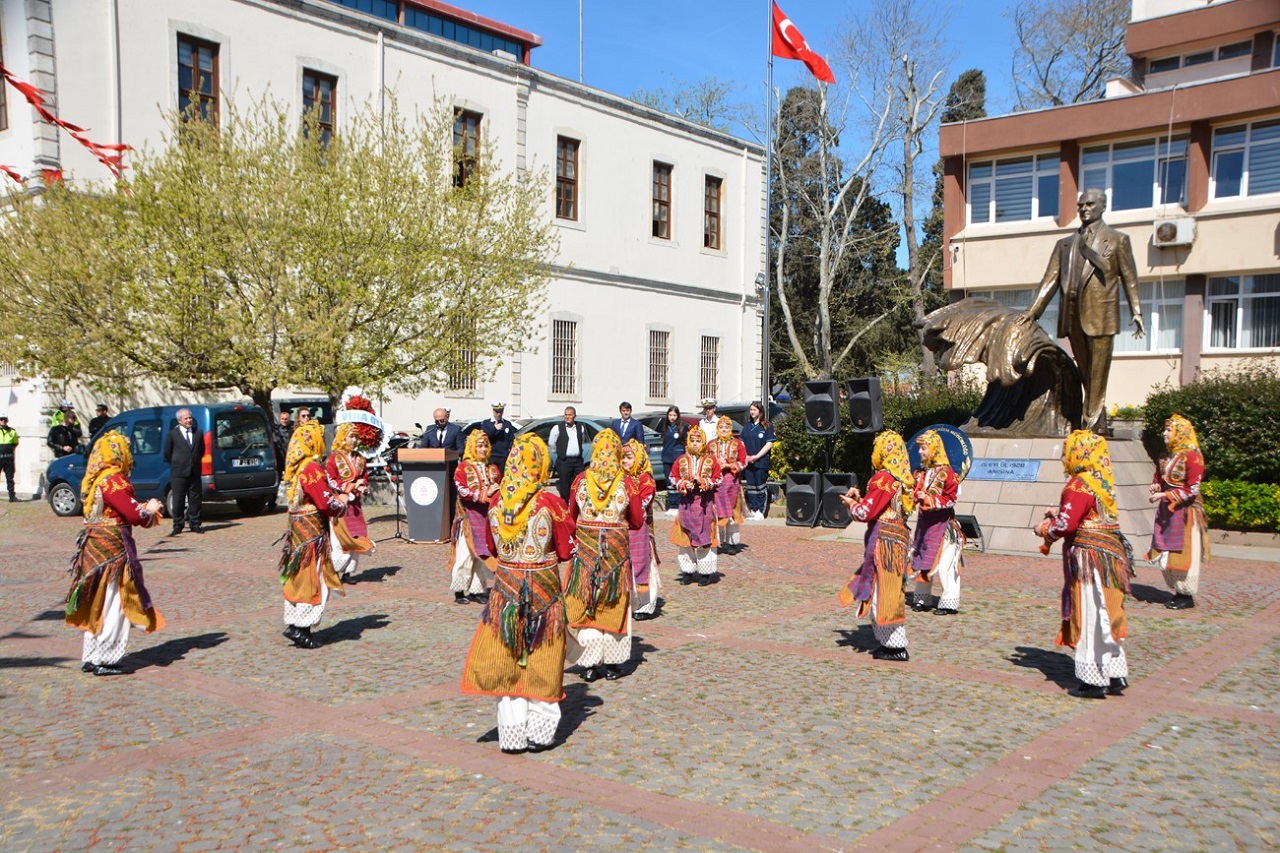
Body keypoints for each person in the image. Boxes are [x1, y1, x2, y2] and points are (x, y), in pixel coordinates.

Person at [461, 434, 576, 754]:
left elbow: (492, 545)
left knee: (509, 659)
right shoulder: (552, 504)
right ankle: (540, 732)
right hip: (544, 592)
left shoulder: (497, 502)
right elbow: (566, 550)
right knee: (544, 658)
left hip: (506, 592)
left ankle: (511, 733)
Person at [1024, 188, 1145, 432]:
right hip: (1073, 317)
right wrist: (1032, 313)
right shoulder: (1066, 244)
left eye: (1089, 204)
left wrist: (1137, 311)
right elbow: (1049, 281)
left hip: (1101, 316)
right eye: (1080, 205)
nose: (1084, 209)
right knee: (1087, 373)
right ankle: (1096, 422)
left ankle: (1089, 426)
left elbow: (1129, 277)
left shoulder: (1117, 240)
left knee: (1097, 374)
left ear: (1103, 206)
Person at [1034, 429, 1132, 699]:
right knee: (1107, 611)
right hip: (1109, 556)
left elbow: (1066, 525)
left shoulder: (1077, 484)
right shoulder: (1100, 481)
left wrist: (1043, 529)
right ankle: (1115, 673)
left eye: (1068, 449)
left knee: (1090, 613)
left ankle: (1093, 679)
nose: (1064, 455)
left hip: (1089, 559)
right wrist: (1059, 511)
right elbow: (1085, 512)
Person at [64, 430, 165, 676]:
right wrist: (149, 509)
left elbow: (117, 509)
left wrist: (139, 508)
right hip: (112, 549)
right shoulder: (114, 480)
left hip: (94, 547)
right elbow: (133, 515)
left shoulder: (95, 479)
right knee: (115, 602)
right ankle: (106, 659)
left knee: (97, 601)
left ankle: (91, 655)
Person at [565, 429, 644, 682]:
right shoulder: (628, 483)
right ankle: (611, 664)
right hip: (616, 555)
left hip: (586, 555)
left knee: (587, 603)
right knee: (613, 604)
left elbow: (570, 515)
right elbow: (637, 519)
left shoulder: (579, 481)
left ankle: (588, 663)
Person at [838, 431, 915, 662]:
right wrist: (861, 499)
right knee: (887, 591)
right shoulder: (899, 478)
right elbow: (878, 508)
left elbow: (865, 513)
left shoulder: (884, 479)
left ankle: (895, 647)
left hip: (886, 544)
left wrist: (852, 504)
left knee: (884, 593)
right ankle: (891, 644)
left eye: (877, 447)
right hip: (895, 539)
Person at [278, 420, 352, 649]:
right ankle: (300, 628)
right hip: (311, 535)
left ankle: (298, 625)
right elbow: (324, 502)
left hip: (299, 531)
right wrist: (342, 503)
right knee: (315, 579)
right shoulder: (311, 468)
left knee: (300, 577)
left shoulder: (298, 468)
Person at [1148, 414, 1208, 610]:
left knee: (1183, 551)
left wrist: (1165, 495)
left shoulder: (1193, 456)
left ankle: (1186, 595)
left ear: (1180, 433)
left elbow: (1192, 489)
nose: (1164, 433)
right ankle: (1178, 592)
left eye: (1169, 430)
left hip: (1185, 513)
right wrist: (1156, 486)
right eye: (1165, 430)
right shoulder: (1166, 455)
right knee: (1168, 550)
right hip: (1168, 511)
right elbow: (1159, 477)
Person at [910, 430, 964, 615]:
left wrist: (930, 500)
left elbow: (952, 498)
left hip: (944, 526)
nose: (920, 452)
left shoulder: (948, 474)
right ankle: (922, 598)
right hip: (925, 525)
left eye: (923, 448)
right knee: (923, 560)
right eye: (919, 449)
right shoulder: (922, 473)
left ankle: (949, 601)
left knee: (946, 564)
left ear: (934, 449)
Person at [450, 430, 499, 604]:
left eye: (486, 445)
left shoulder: (491, 468)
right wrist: (484, 494)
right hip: (468, 517)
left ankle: (476, 589)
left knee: (481, 556)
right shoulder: (463, 467)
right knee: (465, 555)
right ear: (472, 447)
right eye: (479, 445)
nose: (483, 449)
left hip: (484, 517)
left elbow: (498, 487)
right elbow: (462, 490)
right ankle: (459, 591)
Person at [670, 427, 721, 585]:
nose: (695, 444)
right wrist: (682, 483)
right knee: (685, 536)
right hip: (686, 503)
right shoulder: (681, 460)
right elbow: (673, 476)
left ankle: (705, 573)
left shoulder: (711, 460)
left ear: (703, 442)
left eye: (698, 441)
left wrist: (704, 482)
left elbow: (718, 478)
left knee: (704, 536)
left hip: (704, 503)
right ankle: (688, 571)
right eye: (692, 441)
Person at [326, 423, 375, 584]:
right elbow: (331, 480)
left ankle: (348, 571)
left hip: (355, 505)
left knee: (356, 535)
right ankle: (334, 570)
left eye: (356, 437)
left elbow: (364, 476)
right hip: (341, 503)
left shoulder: (360, 458)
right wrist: (352, 486)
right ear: (343, 437)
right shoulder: (334, 458)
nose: (354, 440)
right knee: (340, 538)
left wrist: (364, 486)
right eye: (350, 437)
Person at [622, 438, 661, 621]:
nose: (625, 461)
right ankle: (630, 602)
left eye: (629, 457)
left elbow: (643, 503)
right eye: (622, 458)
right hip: (625, 529)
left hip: (641, 529)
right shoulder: (620, 478)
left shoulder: (646, 479)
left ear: (638, 457)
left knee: (644, 564)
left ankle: (646, 603)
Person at [710, 415, 747, 556]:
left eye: (726, 427)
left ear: (730, 428)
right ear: (717, 428)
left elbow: (743, 461)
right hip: (717, 484)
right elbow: (706, 461)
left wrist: (730, 465)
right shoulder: (711, 444)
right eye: (721, 427)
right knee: (717, 512)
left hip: (731, 483)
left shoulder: (737, 443)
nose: (724, 429)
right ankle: (720, 541)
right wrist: (715, 464)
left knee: (732, 512)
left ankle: (732, 543)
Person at [163, 408, 204, 535]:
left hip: (194, 471)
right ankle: (178, 524)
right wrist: (177, 462)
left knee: (195, 498)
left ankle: (195, 523)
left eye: (190, 418)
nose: (189, 421)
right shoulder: (172, 434)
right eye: (186, 418)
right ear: (179, 420)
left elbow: (201, 450)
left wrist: (194, 462)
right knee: (178, 499)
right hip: (179, 472)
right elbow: (168, 452)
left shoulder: (198, 432)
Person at [741, 401, 775, 520]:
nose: (752, 412)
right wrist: (746, 456)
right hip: (749, 461)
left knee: (760, 487)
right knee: (751, 487)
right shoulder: (747, 427)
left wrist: (757, 456)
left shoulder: (766, 426)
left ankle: (761, 511)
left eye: (754, 410)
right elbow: (742, 442)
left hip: (761, 462)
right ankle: (753, 509)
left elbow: (769, 444)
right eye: (751, 410)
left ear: (760, 411)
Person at [547, 406, 589, 504]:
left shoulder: (580, 427)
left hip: (577, 461)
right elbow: (551, 443)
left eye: (570, 415)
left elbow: (581, 440)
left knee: (580, 483)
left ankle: (577, 504)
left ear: (574, 416)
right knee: (565, 486)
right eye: (566, 415)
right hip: (564, 461)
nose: (567, 417)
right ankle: (565, 507)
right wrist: (560, 452)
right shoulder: (557, 428)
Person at [659, 406, 690, 515]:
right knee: (669, 482)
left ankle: (678, 505)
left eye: (674, 415)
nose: (672, 418)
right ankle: (671, 505)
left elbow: (686, 443)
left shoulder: (682, 428)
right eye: (670, 415)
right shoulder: (666, 427)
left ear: (678, 416)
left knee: (678, 481)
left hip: (677, 458)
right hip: (667, 457)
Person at [481, 401, 516, 476]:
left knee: (502, 478)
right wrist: (494, 429)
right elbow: (484, 438)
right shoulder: (486, 423)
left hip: (503, 457)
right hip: (491, 456)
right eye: (497, 412)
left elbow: (511, 440)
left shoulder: (507, 424)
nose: (499, 414)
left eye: (501, 411)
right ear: (493, 411)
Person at [0, 414, 18, 501]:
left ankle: (12, 497)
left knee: (10, 478)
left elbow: (15, 443)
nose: (3, 421)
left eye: (4, 419)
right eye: (1, 419)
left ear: (7, 420)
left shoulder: (12, 431)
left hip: (9, 458)